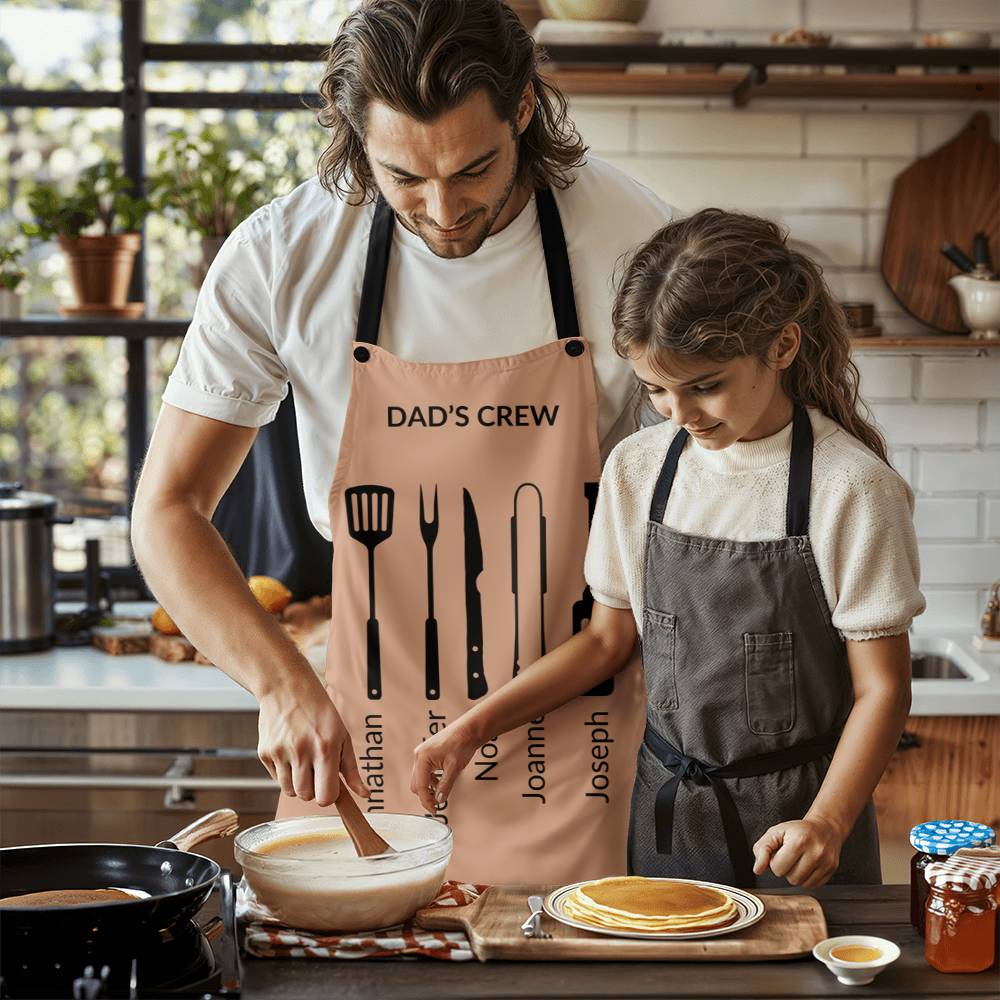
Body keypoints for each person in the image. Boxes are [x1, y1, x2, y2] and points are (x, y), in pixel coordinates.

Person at [131, 0, 675, 885]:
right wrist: (279, 686)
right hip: (361, 731)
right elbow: (166, 511)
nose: (444, 209)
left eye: (474, 170)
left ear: (526, 109)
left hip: (572, 736)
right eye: (404, 178)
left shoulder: (634, 243)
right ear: (354, 136)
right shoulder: (282, 256)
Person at [412, 208, 925, 888]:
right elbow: (603, 644)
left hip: (798, 829)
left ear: (781, 346)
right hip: (668, 820)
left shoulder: (852, 487)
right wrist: (472, 728)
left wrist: (826, 822)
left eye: (704, 386)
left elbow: (883, 689)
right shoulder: (639, 468)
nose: (679, 415)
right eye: (655, 389)